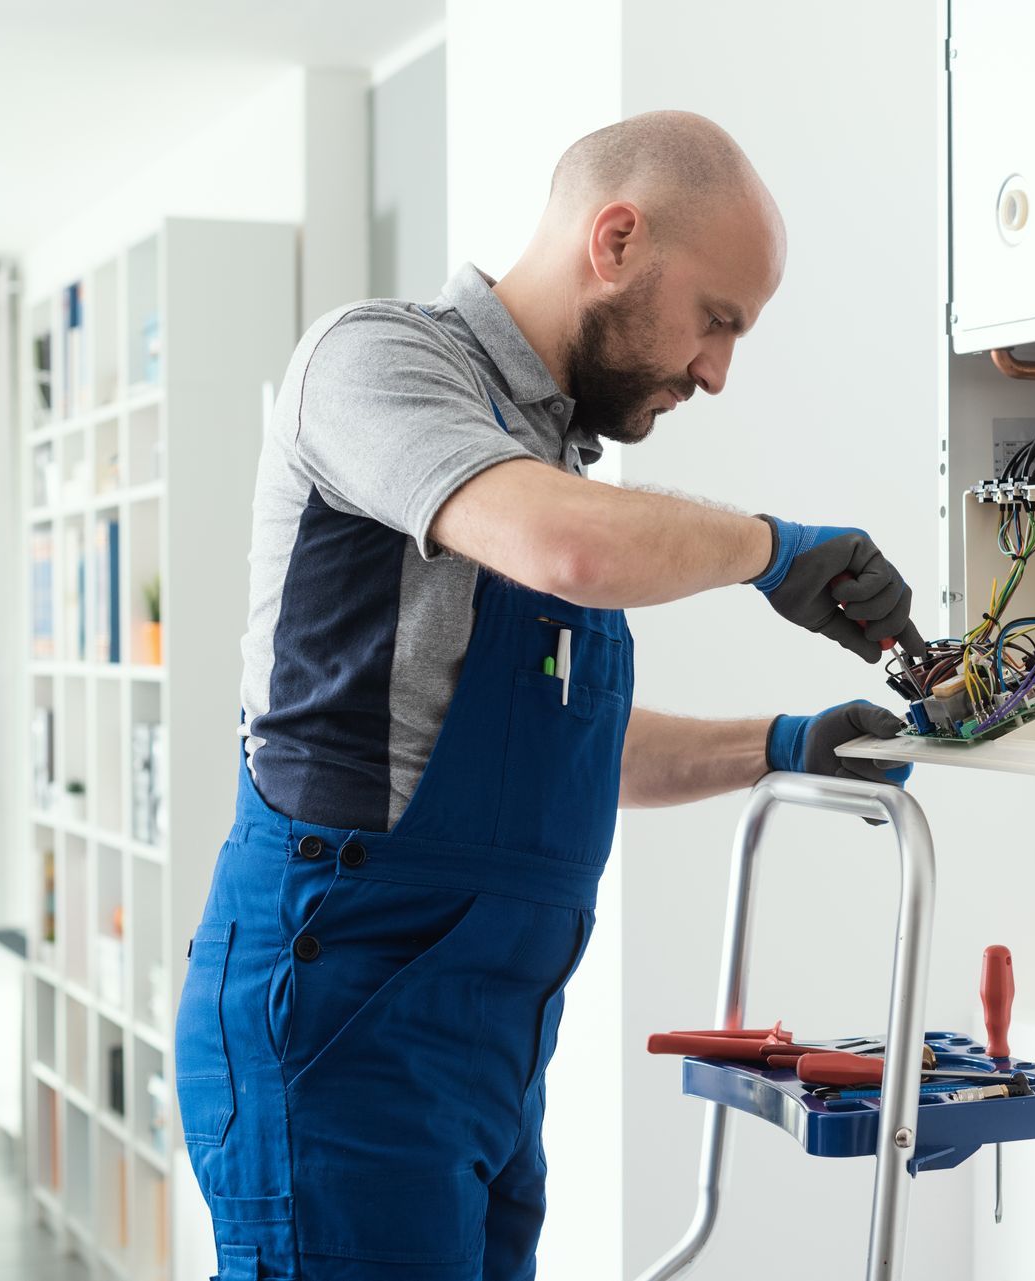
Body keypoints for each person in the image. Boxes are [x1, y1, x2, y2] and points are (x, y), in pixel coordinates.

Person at [173, 110, 921, 1281]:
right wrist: (772, 548)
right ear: (614, 240)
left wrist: (783, 744)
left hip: (488, 1049)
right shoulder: (379, 363)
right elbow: (569, 550)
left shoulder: (557, 462)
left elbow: (571, 751)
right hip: (339, 1023)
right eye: (717, 320)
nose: (717, 371)